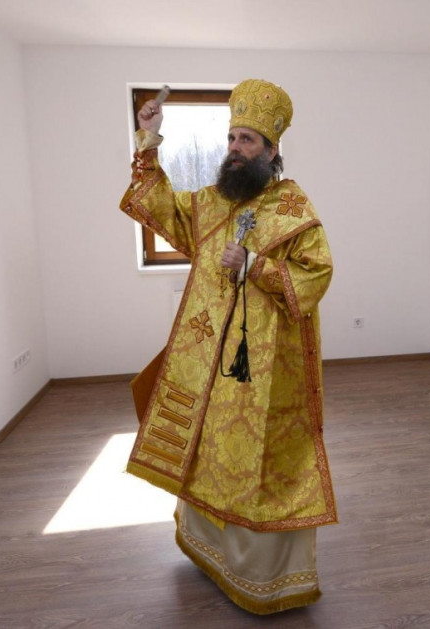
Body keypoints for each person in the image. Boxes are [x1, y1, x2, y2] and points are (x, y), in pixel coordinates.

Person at [120, 78, 337, 614]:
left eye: (248, 140)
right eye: (232, 137)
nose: (236, 148)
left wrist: (256, 265)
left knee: (258, 459)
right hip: (207, 364)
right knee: (210, 448)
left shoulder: (293, 206)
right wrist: (149, 140)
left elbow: (316, 274)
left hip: (266, 368)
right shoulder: (214, 202)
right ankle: (208, 553)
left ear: (271, 149)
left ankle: (263, 578)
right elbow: (159, 206)